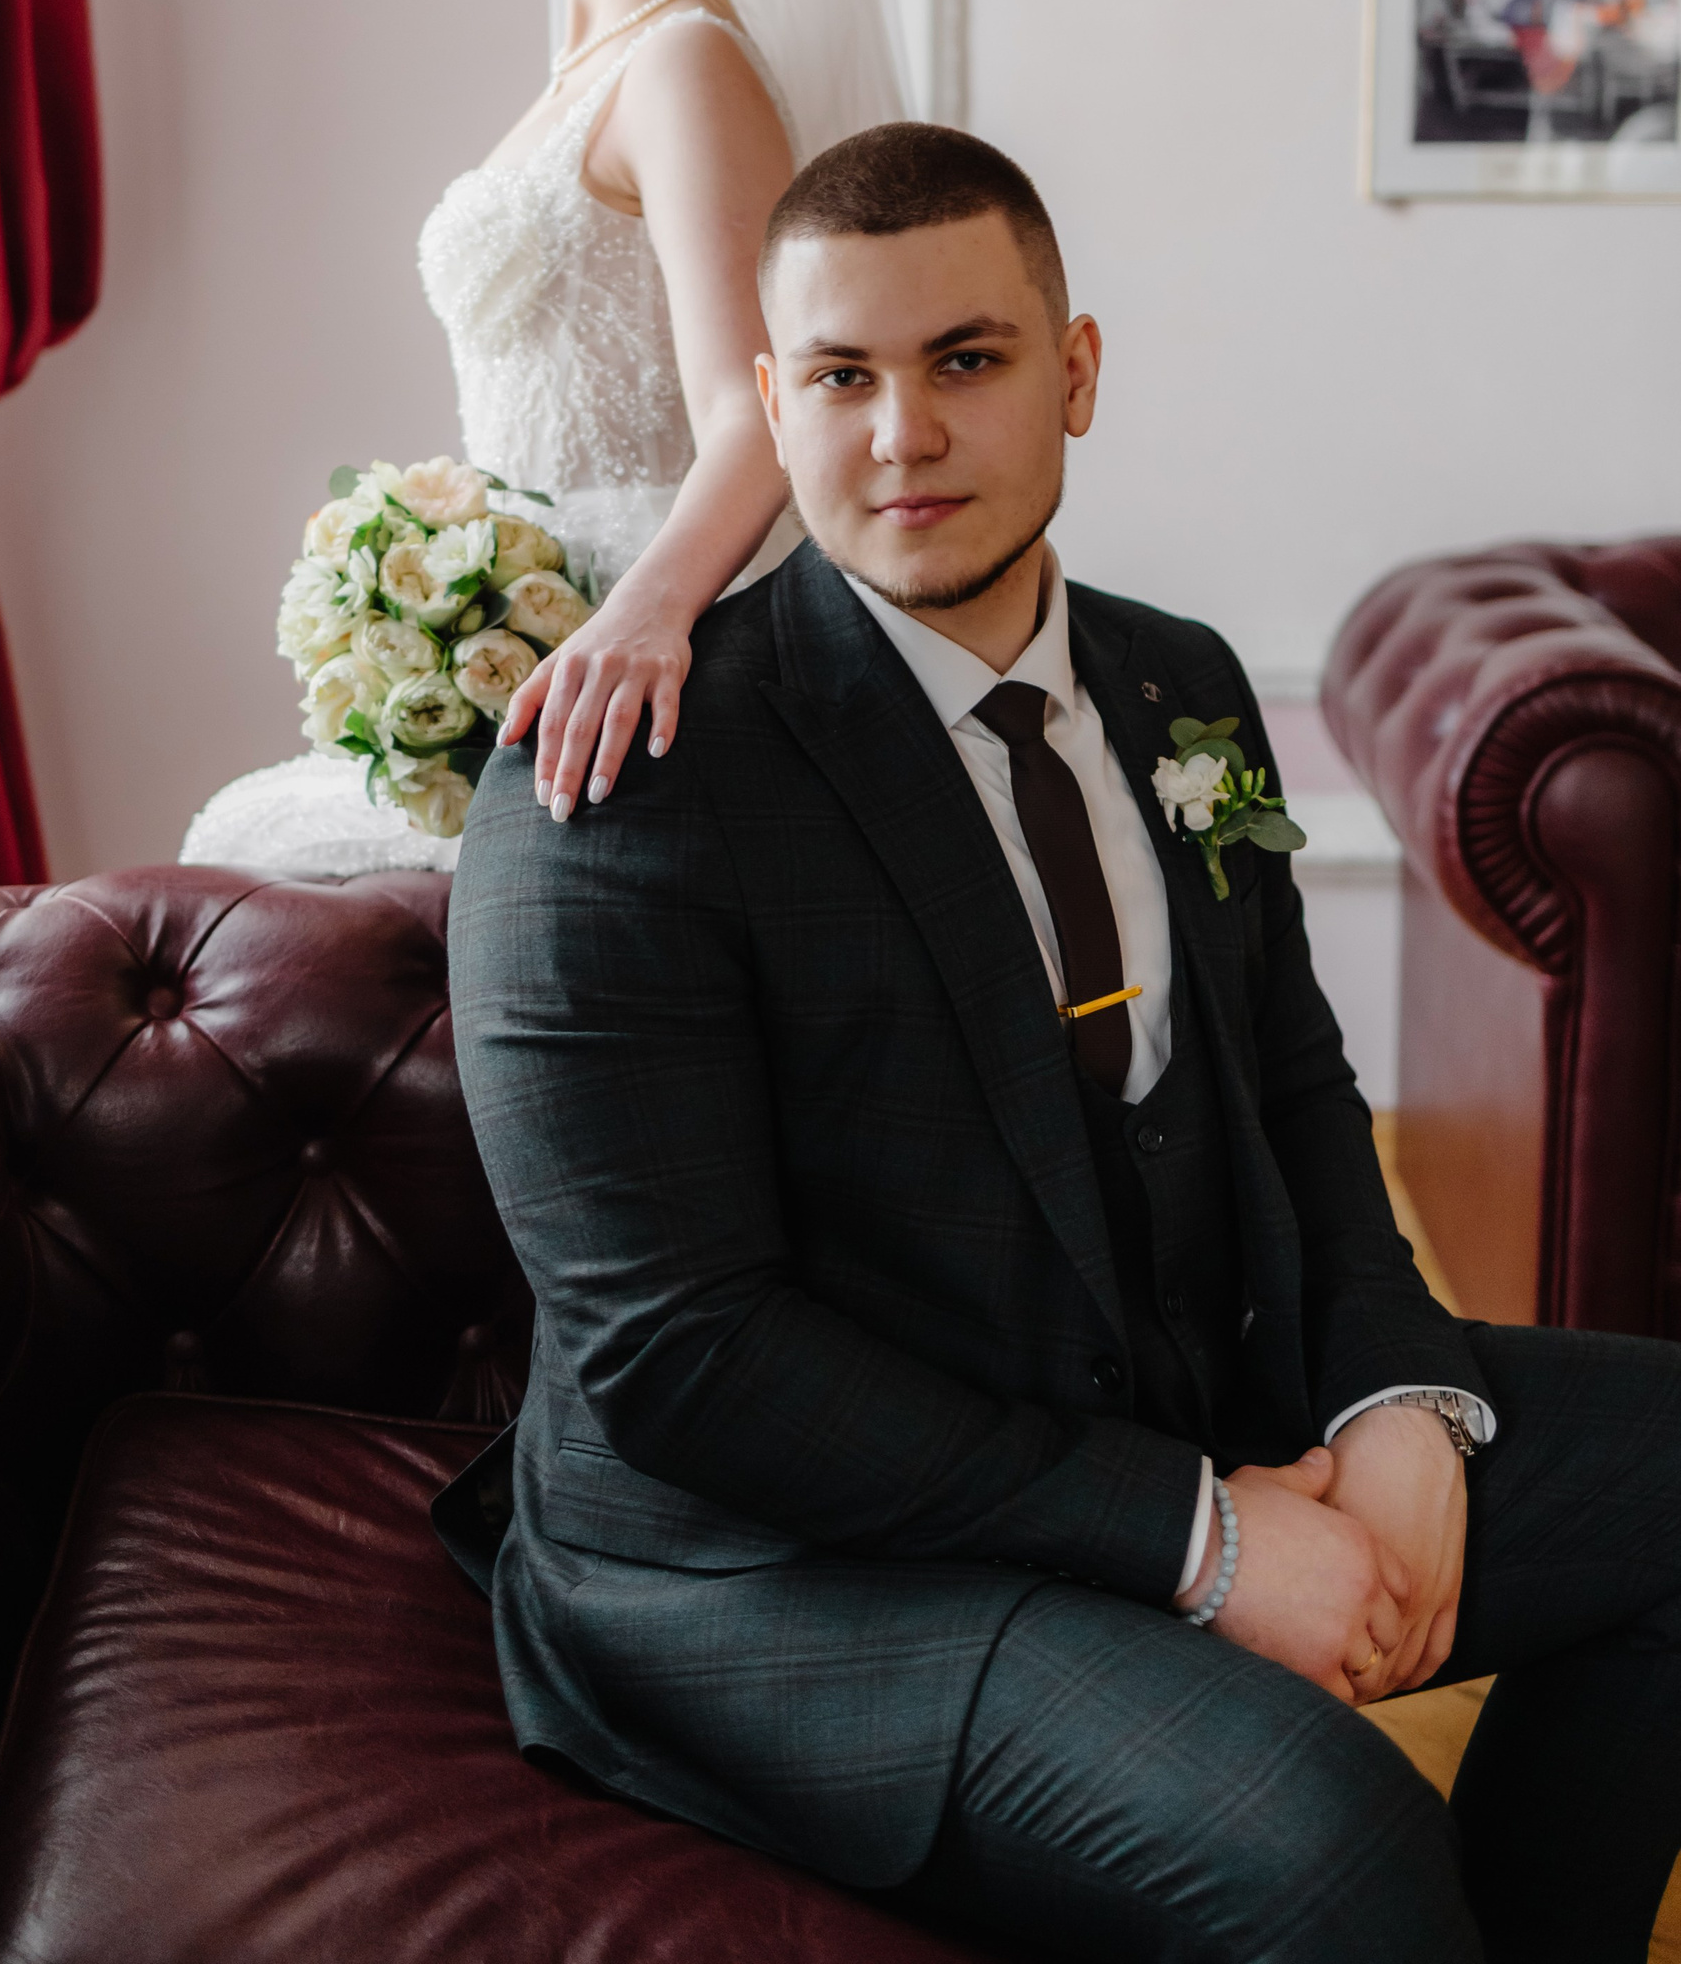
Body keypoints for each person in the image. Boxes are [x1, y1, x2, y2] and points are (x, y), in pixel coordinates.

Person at [440, 122, 1681, 1964]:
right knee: (1332, 1846)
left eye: (967, 359)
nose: (903, 435)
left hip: (1156, 1390)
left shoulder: (1182, 685)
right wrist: (1206, 1538)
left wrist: (1399, 1401)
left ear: (1076, 373)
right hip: (789, 1566)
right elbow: (684, 1359)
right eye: (841, 378)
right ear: (771, 406)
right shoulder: (618, 793)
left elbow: (1292, 1089)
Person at [183, 0, 900, 876]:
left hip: (631, 650)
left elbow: (761, 412)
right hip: (540, 624)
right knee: (240, 841)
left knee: (245, 847)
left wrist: (636, 622)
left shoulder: (684, 64)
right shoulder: (593, 71)